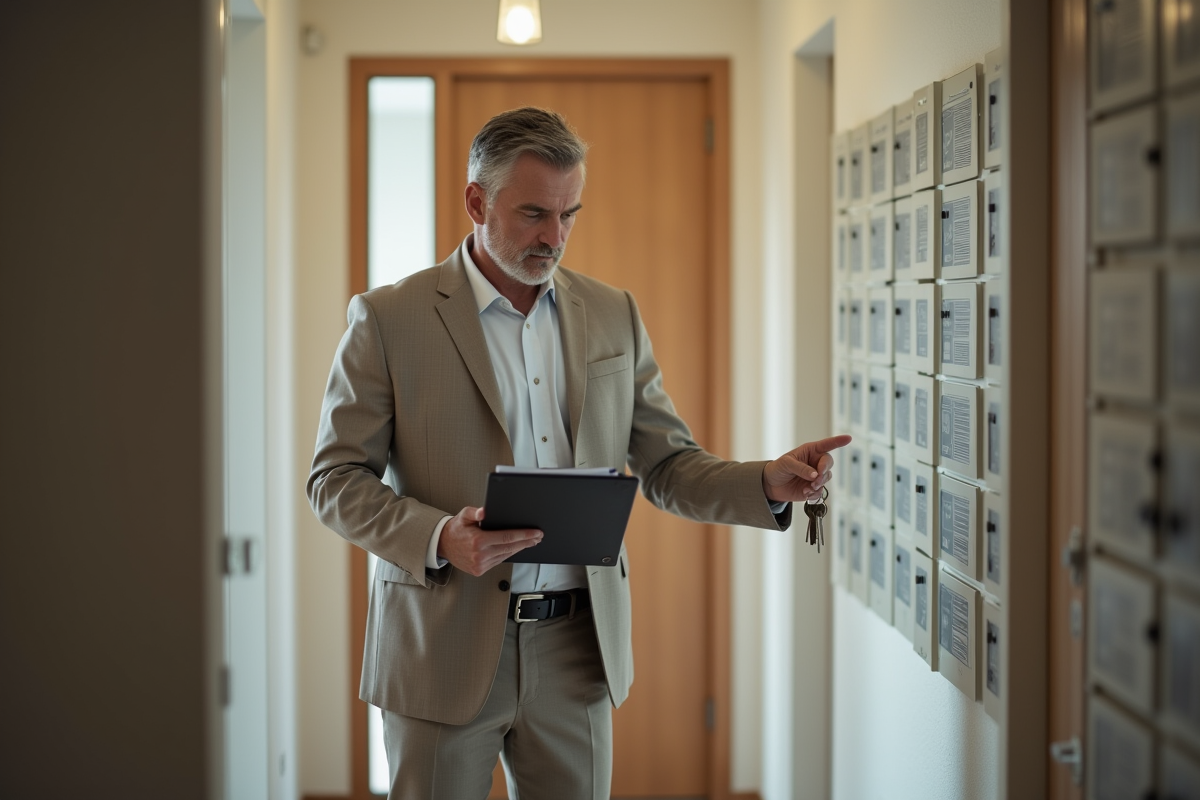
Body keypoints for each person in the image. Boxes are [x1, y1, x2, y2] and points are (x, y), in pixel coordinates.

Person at [307, 106, 850, 800]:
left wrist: (766, 482)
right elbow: (335, 479)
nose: (554, 236)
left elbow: (666, 465)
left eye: (570, 214)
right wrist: (439, 536)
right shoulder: (387, 318)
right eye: (534, 213)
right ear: (477, 200)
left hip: (577, 649)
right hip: (439, 644)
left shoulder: (612, 312)